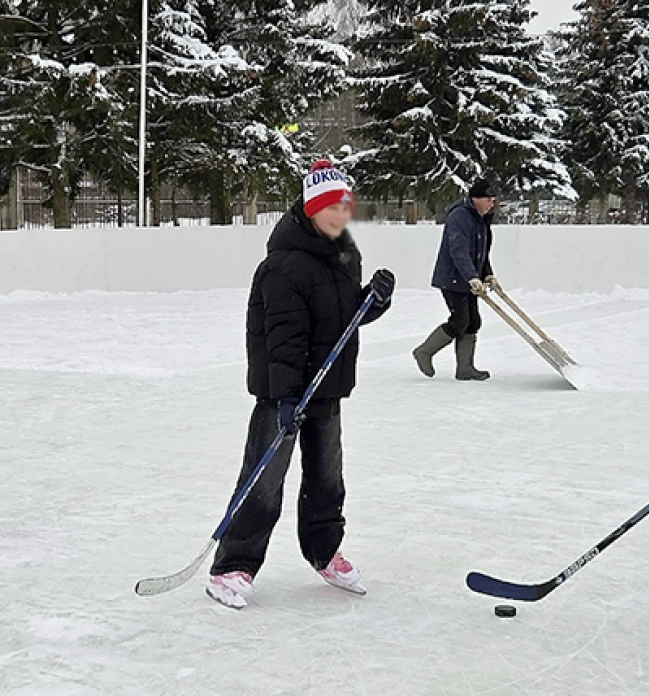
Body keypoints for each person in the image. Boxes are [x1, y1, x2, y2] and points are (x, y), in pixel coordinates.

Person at [206, 160, 394, 610]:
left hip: (326, 387)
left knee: (327, 480)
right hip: (284, 392)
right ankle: (233, 565)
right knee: (264, 481)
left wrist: (372, 301)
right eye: (331, 207)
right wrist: (286, 397)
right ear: (311, 210)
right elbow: (282, 338)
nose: (340, 215)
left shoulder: (344, 255)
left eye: (345, 207)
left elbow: (341, 322)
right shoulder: (284, 264)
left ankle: (324, 552)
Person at [412, 178, 498, 381]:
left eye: (493, 200)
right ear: (476, 198)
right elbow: (458, 251)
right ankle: (424, 352)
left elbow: (480, 254)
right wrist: (472, 277)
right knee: (460, 321)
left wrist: (487, 274)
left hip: (468, 279)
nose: (491, 204)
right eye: (488, 199)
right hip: (452, 278)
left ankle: (465, 369)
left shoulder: (481, 220)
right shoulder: (460, 217)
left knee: (473, 321)